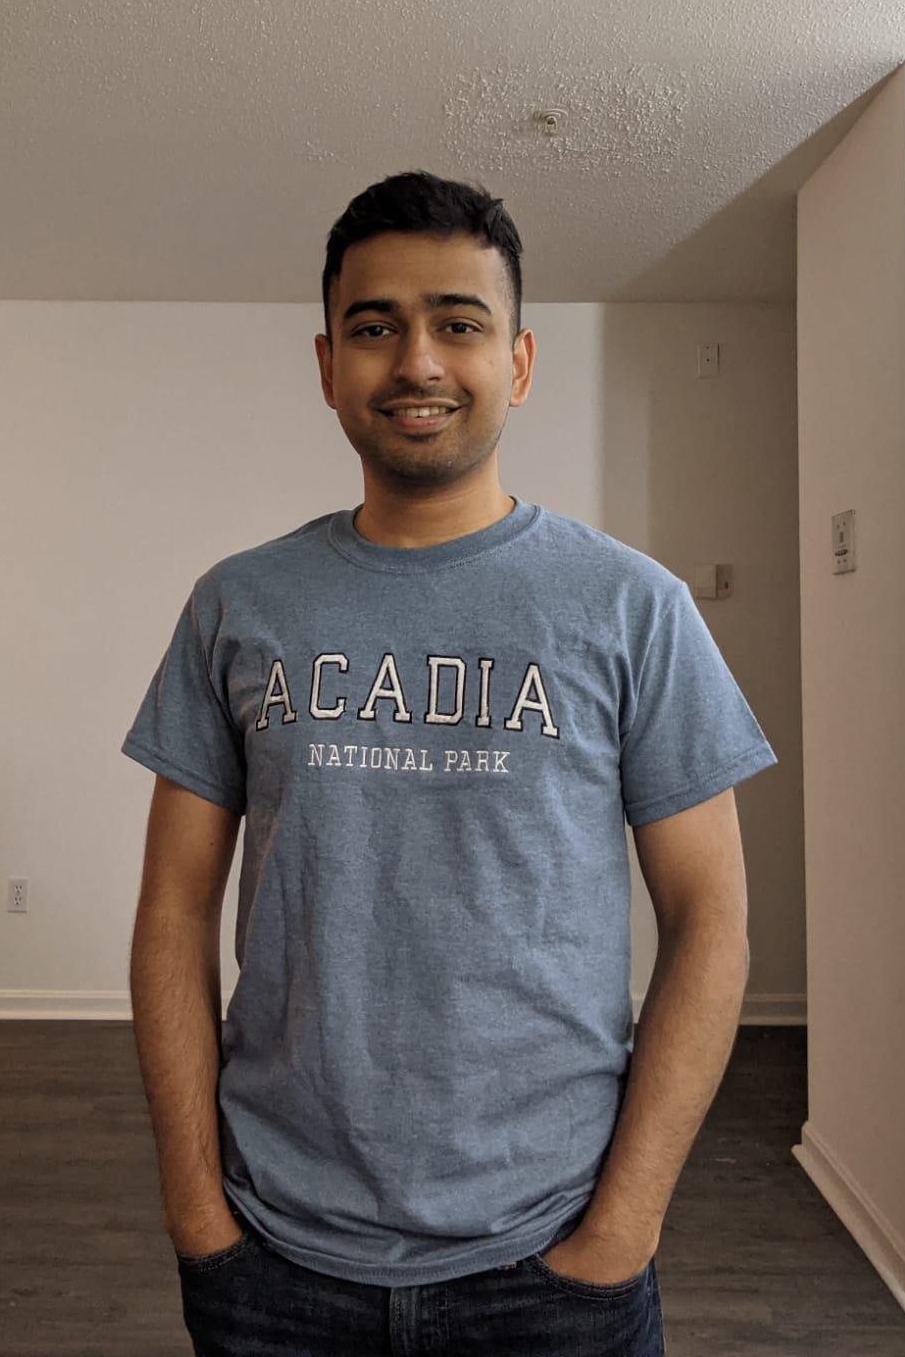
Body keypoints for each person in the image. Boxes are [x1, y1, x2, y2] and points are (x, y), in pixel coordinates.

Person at [123, 170, 777, 1357]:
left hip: (553, 1257)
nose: (416, 360)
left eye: (458, 323)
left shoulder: (634, 608)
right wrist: (196, 1210)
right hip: (274, 1254)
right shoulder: (237, 605)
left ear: (517, 363)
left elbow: (713, 920)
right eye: (375, 326)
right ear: (328, 364)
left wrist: (622, 1229)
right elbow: (172, 909)